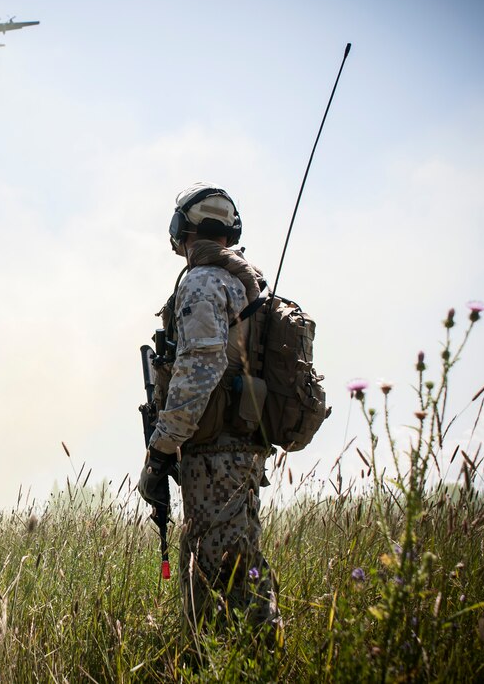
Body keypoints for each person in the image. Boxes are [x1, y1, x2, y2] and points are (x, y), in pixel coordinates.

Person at [137, 182, 281, 641]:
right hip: (240, 446)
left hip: (216, 454)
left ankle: (230, 663)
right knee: (244, 568)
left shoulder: (202, 282)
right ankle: (263, 660)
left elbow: (201, 365)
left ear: (181, 233)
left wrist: (160, 451)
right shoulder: (247, 282)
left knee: (215, 583)